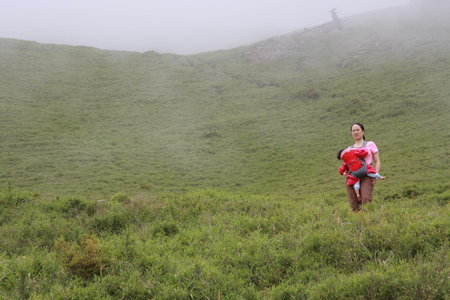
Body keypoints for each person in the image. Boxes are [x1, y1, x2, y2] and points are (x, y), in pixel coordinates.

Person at [341, 123, 382, 212]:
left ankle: (369, 221)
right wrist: (345, 172)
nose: (355, 132)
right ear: (351, 133)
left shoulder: (370, 144)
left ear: (363, 131)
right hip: (352, 177)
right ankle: (357, 223)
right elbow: (346, 164)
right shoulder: (349, 148)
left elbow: (377, 161)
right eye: (353, 130)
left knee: (366, 199)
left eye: (357, 130)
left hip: (367, 175)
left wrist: (376, 174)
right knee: (354, 203)